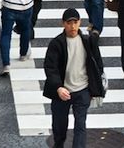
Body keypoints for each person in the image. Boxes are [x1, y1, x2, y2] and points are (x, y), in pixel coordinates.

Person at [43, 8, 105, 148]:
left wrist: (93, 88)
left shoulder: (87, 41)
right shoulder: (56, 43)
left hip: (82, 90)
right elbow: (50, 68)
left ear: (80, 23)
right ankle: (58, 144)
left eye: (75, 22)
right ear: (63, 24)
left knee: (80, 126)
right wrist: (58, 87)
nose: (72, 26)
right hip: (62, 92)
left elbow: (97, 64)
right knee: (59, 128)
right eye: (69, 23)